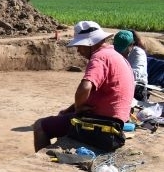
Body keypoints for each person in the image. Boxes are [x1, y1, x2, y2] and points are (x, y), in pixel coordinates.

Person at [33, 21, 135, 152]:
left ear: (90, 44)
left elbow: (85, 88)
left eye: (80, 46)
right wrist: (72, 109)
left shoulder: (99, 57)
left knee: (40, 125)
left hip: (101, 126)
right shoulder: (115, 55)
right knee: (63, 115)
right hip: (117, 123)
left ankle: (43, 163)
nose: (78, 50)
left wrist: (79, 108)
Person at [113, 29, 149, 102]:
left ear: (131, 45)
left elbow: (136, 74)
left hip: (137, 87)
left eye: (124, 49)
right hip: (119, 82)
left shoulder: (138, 53)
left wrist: (119, 75)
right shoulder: (113, 50)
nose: (121, 52)